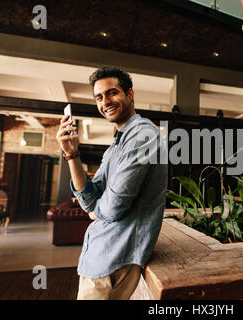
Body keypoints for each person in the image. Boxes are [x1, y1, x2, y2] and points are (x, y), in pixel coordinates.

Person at [56, 66, 167, 300]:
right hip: (101, 256)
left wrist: (97, 211)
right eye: (99, 97)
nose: (105, 101)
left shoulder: (142, 135)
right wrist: (72, 154)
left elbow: (113, 205)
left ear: (130, 94)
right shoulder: (115, 146)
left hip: (113, 259)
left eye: (112, 92)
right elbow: (88, 201)